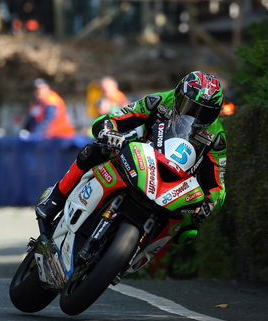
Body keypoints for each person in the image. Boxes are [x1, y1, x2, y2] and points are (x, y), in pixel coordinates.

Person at [35, 71, 227, 245]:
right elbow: (115, 118)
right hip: (139, 155)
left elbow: (218, 184)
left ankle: (138, 255)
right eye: (190, 107)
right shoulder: (158, 101)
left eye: (205, 113)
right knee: (94, 151)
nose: (194, 116)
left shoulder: (216, 137)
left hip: (174, 182)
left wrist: (209, 204)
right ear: (177, 97)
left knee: (188, 230)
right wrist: (108, 131)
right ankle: (56, 198)